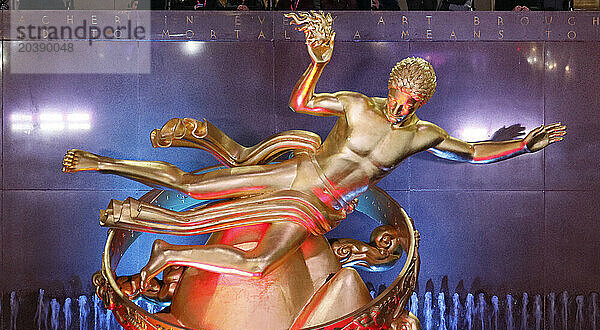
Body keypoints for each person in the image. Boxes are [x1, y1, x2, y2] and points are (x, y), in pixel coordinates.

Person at [62, 11, 565, 289]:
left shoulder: (423, 135)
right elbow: (301, 101)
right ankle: (101, 161)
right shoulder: (357, 106)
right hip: (298, 174)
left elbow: (473, 151)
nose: (399, 107)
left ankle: (170, 252)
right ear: (389, 89)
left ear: (421, 104)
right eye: (397, 96)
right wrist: (318, 61)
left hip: (320, 208)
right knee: (193, 185)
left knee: (261, 266)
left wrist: (521, 147)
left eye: (410, 103)